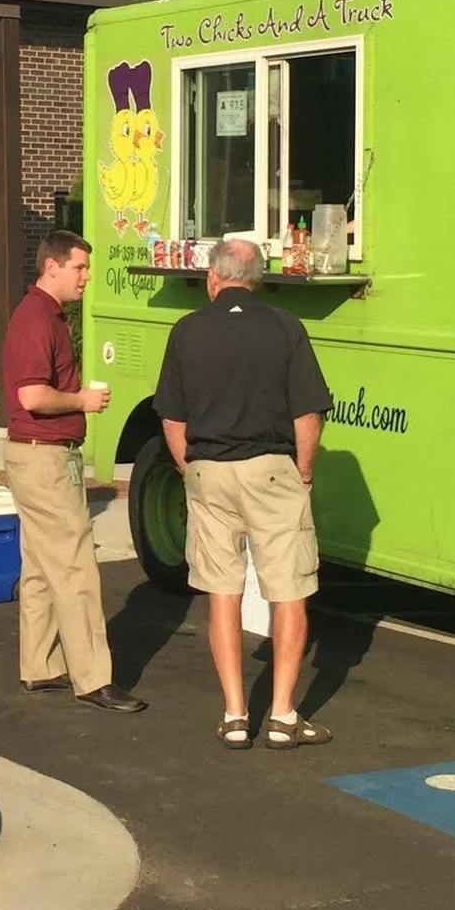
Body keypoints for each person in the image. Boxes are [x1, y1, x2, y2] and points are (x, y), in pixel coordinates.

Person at [154, 235, 333, 750]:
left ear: (214, 278)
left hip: (210, 469)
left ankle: (234, 714)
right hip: (271, 470)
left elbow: (172, 415)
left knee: (223, 591)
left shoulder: (186, 331)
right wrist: (303, 469)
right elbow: (307, 412)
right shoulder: (285, 327)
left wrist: (189, 465)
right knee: (289, 590)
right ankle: (281, 715)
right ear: (258, 280)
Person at [1, 231, 146, 714]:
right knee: (76, 567)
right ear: (51, 267)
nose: (87, 277)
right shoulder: (37, 318)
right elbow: (32, 396)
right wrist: (82, 400)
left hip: (37, 454)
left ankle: (40, 665)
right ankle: (93, 679)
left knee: (42, 564)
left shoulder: (45, 315)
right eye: (80, 268)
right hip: (43, 455)